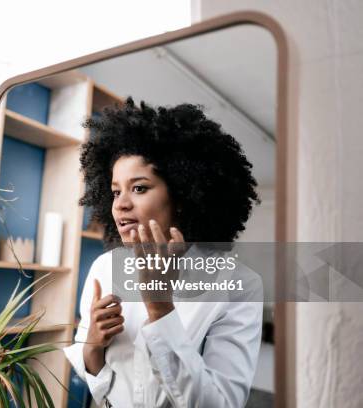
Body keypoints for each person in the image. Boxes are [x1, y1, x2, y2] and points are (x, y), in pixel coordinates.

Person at [63, 99, 263, 407]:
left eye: (139, 188)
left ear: (182, 195)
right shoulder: (105, 267)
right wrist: (92, 347)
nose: (121, 204)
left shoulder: (238, 285)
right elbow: (98, 382)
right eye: (116, 191)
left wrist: (160, 310)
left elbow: (221, 403)